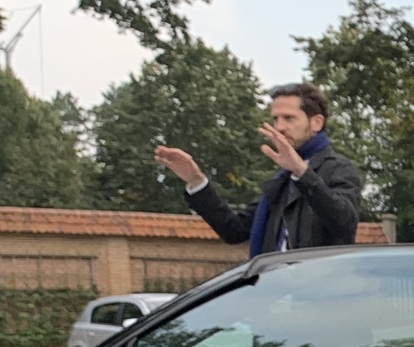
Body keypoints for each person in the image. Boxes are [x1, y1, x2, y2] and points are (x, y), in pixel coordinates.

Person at [154, 82, 361, 254]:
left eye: (288, 118)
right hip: (273, 294)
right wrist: (196, 180)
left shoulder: (338, 169)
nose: (279, 127)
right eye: (275, 119)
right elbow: (234, 230)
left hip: (318, 296)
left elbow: (344, 222)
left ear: (316, 122)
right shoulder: (282, 181)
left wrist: (301, 172)